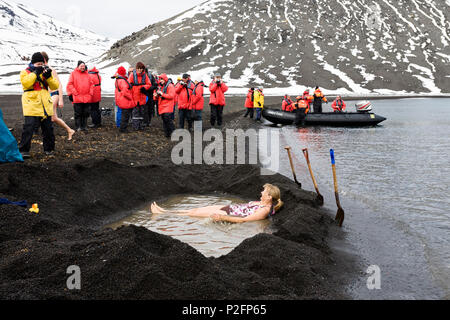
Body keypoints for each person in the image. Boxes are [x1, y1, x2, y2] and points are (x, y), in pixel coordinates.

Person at [151, 184, 283, 223]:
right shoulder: (261, 203)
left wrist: (223, 217)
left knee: (192, 214)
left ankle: (162, 215)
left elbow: (245, 220)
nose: (261, 192)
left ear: (269, 197)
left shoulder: (264, 211)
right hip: (229, 208)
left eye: (264, 191)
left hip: (227, 213)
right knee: (195, 209)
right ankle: (164, 211)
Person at [18, 52, 60, 159]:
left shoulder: (44, 72)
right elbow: (26, 83)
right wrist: (35, 73)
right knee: (29, 128)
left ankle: (49, 149)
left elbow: (55, 86)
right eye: (38, 64)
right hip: (31, 104)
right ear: (33, 63)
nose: (40, 65)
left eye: (42, 63)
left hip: (45, 104)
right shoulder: (25, 72)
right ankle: (24, 150)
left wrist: (49, 77)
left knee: (48, 128)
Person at [41, 52, 75, 141]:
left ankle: (47, 138)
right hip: (46, 96)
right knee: (54, 117)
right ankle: (70, 130)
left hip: (54, 94)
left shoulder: (51, 69)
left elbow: (59, 85)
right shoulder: (41, 70)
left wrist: (60, 100)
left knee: (47, 115)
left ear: (44, 59)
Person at [66, 61, 94, 132]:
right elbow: (70, 84)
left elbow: (92, 84)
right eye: (81, 66)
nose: (82, 67)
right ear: (78, 66)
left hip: (86, 97)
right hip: (77, 97)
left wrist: (90, 93)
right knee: (78, 113)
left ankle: (84, 126)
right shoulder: (73, 74)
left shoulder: (87, 74)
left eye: (83, 66)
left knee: (86, 113)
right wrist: (75, 92)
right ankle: (78, 126)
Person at [129, 62, 151, 131]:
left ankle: (141, 126)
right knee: (135, 112)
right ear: (136, 68)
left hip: (142, 97)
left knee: (142, 112)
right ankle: (135, 126)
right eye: (138, 68)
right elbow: (128, 84)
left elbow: (149, 84)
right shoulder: (132, 75)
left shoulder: (145, 75)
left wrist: (144, 87)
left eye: (141, 68)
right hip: (135, 97)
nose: (140, 70)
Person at [112, 66, 134, 133]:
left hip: (120, 99)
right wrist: (130, 97)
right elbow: (125, 91)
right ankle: (123, 129)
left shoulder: (118, 79)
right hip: (124, 100)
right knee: (125, 115)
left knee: (122, 114)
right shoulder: (122, 80)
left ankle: (122, 127)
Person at [155, 73, 176, 138]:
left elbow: (172, 96)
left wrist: (162, 94)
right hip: (163, 106)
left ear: (165, 79)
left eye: (162, 79)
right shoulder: (162, 86)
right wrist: (156, 96)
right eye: (160, 79)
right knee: (164, 120)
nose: (160, 80)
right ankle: (167, 134)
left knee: (168, 120)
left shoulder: (170, 86)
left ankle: (173, 134)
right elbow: (160, 96)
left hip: (168, 106)